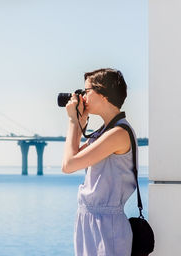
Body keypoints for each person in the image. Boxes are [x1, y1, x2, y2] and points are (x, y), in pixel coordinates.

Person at [61, 68, 137, 256]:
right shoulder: (105, 131)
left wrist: (73, 122)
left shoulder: (118, 133)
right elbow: (74, 157)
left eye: (86, 92)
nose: (82, 97)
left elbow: (68, 165)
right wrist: (80, 121)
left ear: (104, 95)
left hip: (106, 225)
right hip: (90, 220)